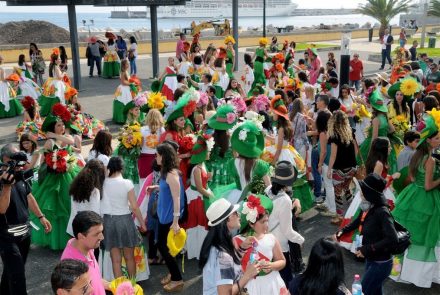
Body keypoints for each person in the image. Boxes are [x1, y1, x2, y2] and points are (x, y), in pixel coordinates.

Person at [391, 111, 440, 288]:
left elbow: (412, 178)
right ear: (429, 140)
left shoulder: (417, 155)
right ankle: (422, 275)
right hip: (426, 199)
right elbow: (428, 186)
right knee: (425, 237)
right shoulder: (430, 160)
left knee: (408, 235)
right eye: (437, 138)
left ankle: (400, 270)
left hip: (412, 195)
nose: (439, 140)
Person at [0, 144, 52, 295]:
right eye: (16, 159)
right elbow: (2, 209)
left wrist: (41, 216)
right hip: (6, 236)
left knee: (12, 270)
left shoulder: (20, 175)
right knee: (17, 275)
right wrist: (7, 187)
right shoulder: (2, 179)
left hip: (24, 233)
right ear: (6, 159)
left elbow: (28, 196)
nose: (20, 163)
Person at [336, 173, 398, 295]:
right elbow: (357, 222)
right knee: (375, 290)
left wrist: (367, 249)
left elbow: (393, 239)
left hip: (381, 263)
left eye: (362, 191)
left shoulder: (382, 212)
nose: (360, 193)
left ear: (370, 193)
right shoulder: (368, 207)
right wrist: (340, 232)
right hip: (372, 259)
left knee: (362, 291)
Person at [31, 103, 81, 250]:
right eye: (59, 125)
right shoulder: (49, 142)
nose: (62, 127)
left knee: (69, 205)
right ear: (53, 126)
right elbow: (43, 162)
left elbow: (71, 142)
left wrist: (55, 134)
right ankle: (56, 239)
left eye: (62, 125)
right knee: (56, 209)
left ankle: (70, 236)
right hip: (53, 178)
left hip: (69, 175)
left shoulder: (63, 137)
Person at [199, 198, 261, 295]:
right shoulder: (223, 256)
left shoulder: (217, 243)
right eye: (235, 213)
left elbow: (231, 265)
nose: (239, 215)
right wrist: (247, 275)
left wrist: (242, 248)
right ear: (227, 218)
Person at [101, 157, 146, 278]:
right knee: (129, 258)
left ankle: (119, 290)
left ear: (109, 167)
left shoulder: (103, 183)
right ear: (122, 168)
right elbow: (135, 207)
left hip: (108, 221)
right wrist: (143, 223)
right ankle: (132, 287)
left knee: (115, 260)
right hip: (125, 220)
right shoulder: (127, 183)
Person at [234, 194, 288, 295]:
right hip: (250, 285)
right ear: (251, 223)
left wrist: (271, 265)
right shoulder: (238, 240)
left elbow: (282, 261)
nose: (267, 225)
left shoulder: (271, 238)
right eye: (263, 222)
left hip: (273, 283)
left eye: (267, 221)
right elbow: (233, 265)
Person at [152, 143, 185, 292]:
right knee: (162, 246)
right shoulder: (166, 172)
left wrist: (176, 222)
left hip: (169, 219)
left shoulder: (172, 174)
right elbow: (167, 189)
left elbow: (177, 198)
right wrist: (156, 187)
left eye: (157, 155)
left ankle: (177, 278)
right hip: (163, 216)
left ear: (164, 156)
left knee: (165, 248)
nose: (156, 157)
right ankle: (173, 273)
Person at [265, 161, 305, 287]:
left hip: (266, 240)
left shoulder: (267, 191)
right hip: (280, 247)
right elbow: (287, 231)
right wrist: (300, 240)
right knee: (284, 282)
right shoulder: (285, 200)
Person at [61, 211, 109, 294]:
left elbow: (95, 279)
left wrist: (112, 285)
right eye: (97, 234)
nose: (102, 237)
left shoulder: (88, 247)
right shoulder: (71, 267)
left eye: (101, 232)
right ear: (81, 236)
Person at [185, 134, 215, 259]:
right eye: (207, 152)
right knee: (199, 224)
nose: (209, 153)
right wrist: (211, 195)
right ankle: (198, 252)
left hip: (200, 196)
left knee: (202, 225)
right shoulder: (197, 169)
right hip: (197, 199)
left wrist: (208, 177)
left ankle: (200, 250)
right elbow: (199, 187)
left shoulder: (201, 165)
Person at [327, 110, 357, 225]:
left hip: (339, 169)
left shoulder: (334, 135)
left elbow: (333, 155)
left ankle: (339, 216)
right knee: (348, 189)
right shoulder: (350, 132)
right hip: (351, 167)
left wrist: (329, 169)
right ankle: (354, 212)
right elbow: (355, 148)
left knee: (338, 193)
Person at [66, 160, 105, 238]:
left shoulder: (75, 186)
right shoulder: (95, 191)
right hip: (88, 231)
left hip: (73, 226)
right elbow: (95, 213)